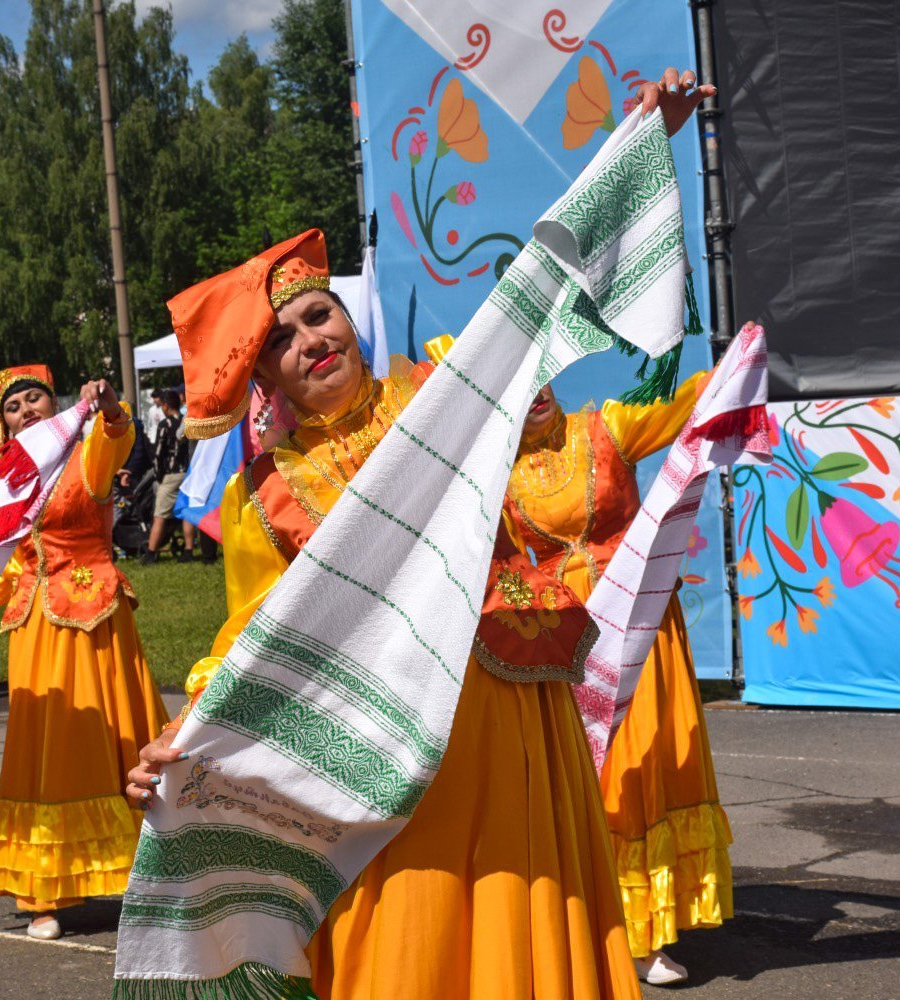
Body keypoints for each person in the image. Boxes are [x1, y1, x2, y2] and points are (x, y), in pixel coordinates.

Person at [127, 227, 646, 999]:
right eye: (279, 340)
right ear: (262, 375)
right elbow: (249, 635)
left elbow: (544, 292)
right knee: (410, 925)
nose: (310, 341)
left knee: (522, 894)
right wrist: (181, 739)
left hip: (502, 704)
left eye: (318, 314)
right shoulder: (266, 494)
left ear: (348, 317)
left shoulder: (446, 394)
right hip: (384, 737)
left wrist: (645, 139)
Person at [502, 374, 729, 986]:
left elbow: (687, 405)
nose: (533, 393)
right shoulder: (494, 475)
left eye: (539, 377)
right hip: (569, 636)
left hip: (641, 617)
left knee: (650, 766)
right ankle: (604, 924)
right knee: (593, 775)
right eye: (514, 386)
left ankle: (653, 933)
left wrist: (736, 359)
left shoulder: (607, 428)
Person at [0, 366, 169, 941]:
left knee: (120, 736)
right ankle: (45, 893)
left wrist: (109, 407)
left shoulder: (88, 452)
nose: (27, 410)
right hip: (36, 627)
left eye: (34, 398)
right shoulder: (4, 483)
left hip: (98, 621)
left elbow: (119, 435)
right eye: (13, 407)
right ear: (1, 426)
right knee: (47, 748)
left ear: (54, 403)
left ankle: (156, 874)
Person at [139, 389, 196, 564]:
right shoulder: (187, 423)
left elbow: (158, 454)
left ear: (165, 405)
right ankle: (189, 551)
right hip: (187, 473)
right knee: (186, 513)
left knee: (160, 514)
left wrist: (159, 476)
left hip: (170, 475)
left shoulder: (165, 425)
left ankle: (151, 552)